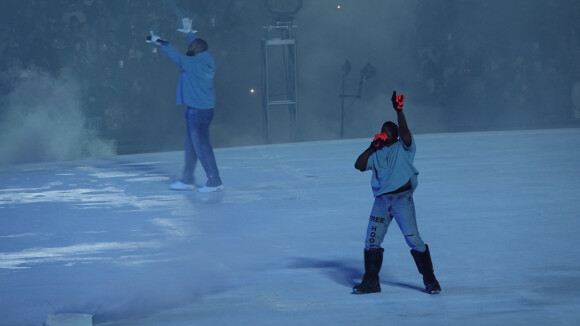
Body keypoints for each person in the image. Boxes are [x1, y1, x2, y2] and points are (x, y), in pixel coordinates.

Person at [352, 91, 441, 295]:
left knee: (413, 239)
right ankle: (371, 282)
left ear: (395, 134)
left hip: (402, 200)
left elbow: (406, 132)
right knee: (371, 241)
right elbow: (358, 165)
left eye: (388, 130)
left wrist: (399, 111)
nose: (384, 132)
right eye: (382, 130)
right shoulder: (376, 152)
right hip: (381, 202)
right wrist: (371, 146)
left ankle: (430, 279)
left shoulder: (404, 147)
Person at [147, 18, 223, 192]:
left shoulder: (192, 63)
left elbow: (175, 54)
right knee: (191, 146)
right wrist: (190, 34)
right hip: (204, 109)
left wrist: (157, 41)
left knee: (201, 146)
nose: (188, 47)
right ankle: (187, 179)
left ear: (196, 50)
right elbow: (197, 47)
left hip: (196, 112)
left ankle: (215, 180)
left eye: (190, 46)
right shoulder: (207, 58)